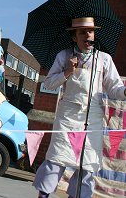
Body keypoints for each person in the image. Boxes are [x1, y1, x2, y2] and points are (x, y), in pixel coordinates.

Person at [33, 17, 126, 198]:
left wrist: (124, 92)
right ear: (74, 37)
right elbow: (49, 84)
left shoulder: (104, 59)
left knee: (88, 165)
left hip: (93, 117)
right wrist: (67, 71)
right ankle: (43, 195)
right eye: (82, 32)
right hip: (68, 115)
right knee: (56, 160)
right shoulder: (64, 56)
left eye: (90, 31)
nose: (87, 35)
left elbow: (114, 88)